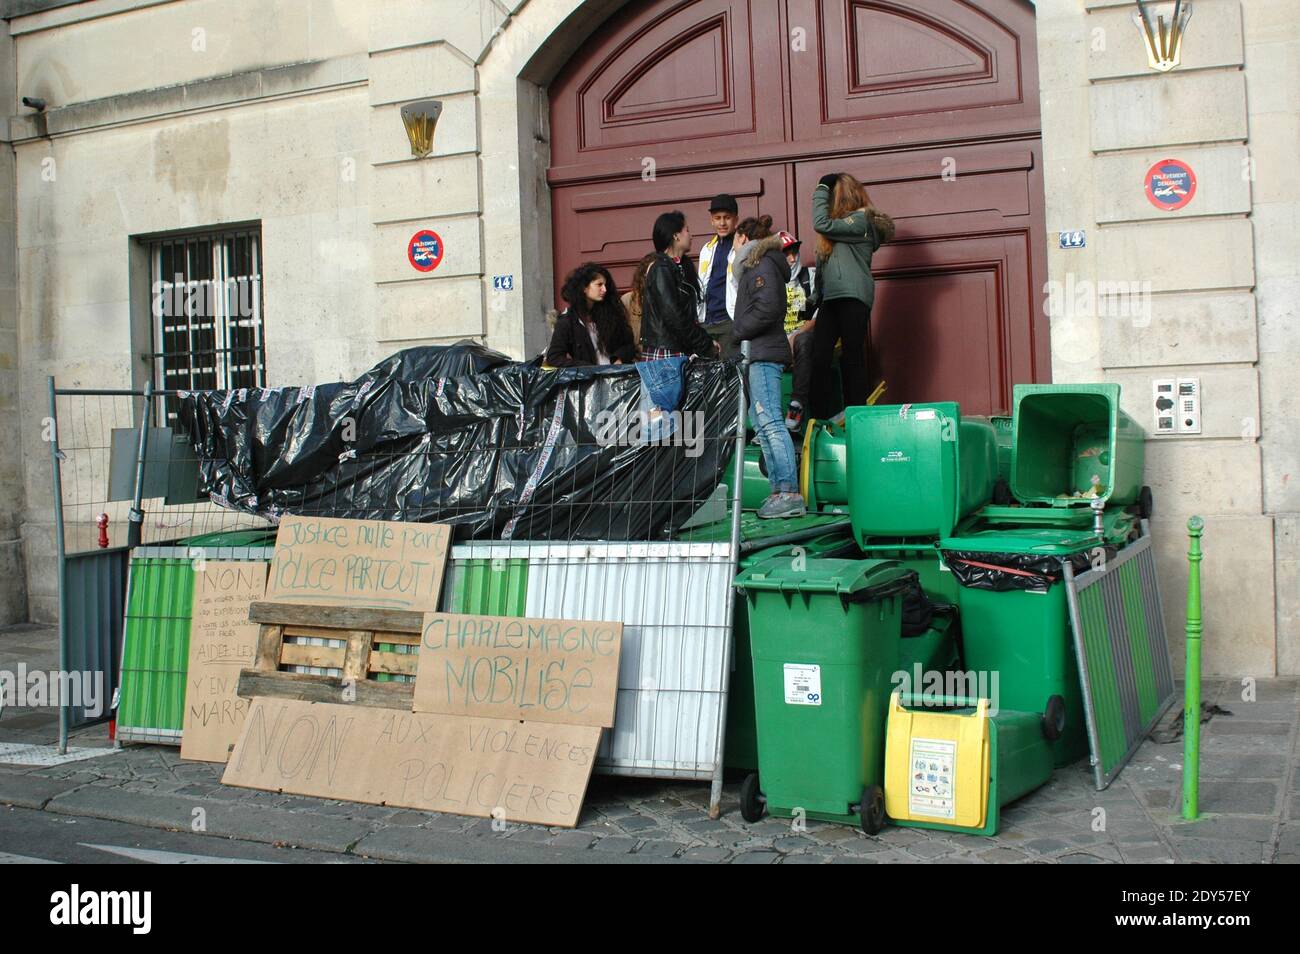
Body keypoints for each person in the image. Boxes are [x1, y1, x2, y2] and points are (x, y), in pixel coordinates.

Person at [731, 215, 807, 519]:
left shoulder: (760, 265)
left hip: (762, 355)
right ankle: (780, 491)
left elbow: (767, 308)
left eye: (736, 239)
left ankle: (788, 492)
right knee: (763, 425)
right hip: (758, 353)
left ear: (745, 239)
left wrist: (737, 331)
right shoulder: (760, 265)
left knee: (770, 422)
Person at [809, 172, 895, 418]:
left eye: (829, 195)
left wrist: (821, 187)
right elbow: (824, 263)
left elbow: (820, 223)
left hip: (853, 297)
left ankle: (856, 414)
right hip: (832, 299)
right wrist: (814, 298)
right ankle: (820, 418)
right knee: (820, 357)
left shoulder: (860, 221)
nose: (826, 201)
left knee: (852, 356)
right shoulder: (836, 230)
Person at [640, 210, 717, 361]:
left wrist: (705, 342)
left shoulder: (680, 267)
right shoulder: (661, 269)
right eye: (687, 230)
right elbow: (674, 315)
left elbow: (684, 316)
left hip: (678, 349)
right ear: (675, 236)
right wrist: (704, 343)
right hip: (666, 352)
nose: (691, 235)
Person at [544, 262, 637, 367]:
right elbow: (554, 357)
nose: (604, 289)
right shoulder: (567, 322)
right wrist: (586, 368)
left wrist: (619, 358)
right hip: (588, 380)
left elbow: (628, 345)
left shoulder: (611, 315)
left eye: (605, 285)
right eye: (599, 285)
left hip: (615, 377)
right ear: (584, 288)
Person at [777, 230, 816, 431]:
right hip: (776, 346)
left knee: (804, 341)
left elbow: (816, 318)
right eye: (786, 253)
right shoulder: (770, 281)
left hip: (800, 344)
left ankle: (796, 406)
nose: (792, 258)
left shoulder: (809, 277)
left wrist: (793, 338)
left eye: (794, 252)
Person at [696, 194, 740, 359]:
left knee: (729, 375)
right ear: (711, 220)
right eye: (717, 218)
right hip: (706, 322)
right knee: (706, 377)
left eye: (727, 218)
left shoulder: (741, 246)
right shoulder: (706, 249)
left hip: (729, 321)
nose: (722, 223)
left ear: (736, 219)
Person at [620, 252, 656, 348]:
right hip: (636, 359)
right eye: (653, 272)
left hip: (664, 358)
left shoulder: (672, 298)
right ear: (643, 274)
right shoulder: (628, 300)